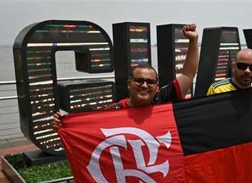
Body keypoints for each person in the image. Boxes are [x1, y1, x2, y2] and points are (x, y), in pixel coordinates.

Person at [53, 24, 199, 129]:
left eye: (150, 82)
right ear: (129, 84)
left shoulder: (164, 99)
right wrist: (63, 124)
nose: (144, 85)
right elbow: (85, 129)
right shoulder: (113, 112)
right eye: (139, 80)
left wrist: (193, 41)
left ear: (157, 87)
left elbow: (188, 74)